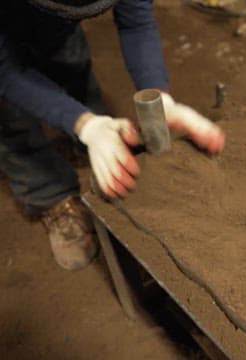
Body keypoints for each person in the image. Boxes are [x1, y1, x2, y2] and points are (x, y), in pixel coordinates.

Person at [0, 0, 225, 270]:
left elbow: (136, 21)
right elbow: (6, 73)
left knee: (68, 58)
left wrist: (158, 94)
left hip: (54, 23)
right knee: (10, 118)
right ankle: (50, 195)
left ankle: (93, 140)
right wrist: (84, 124)